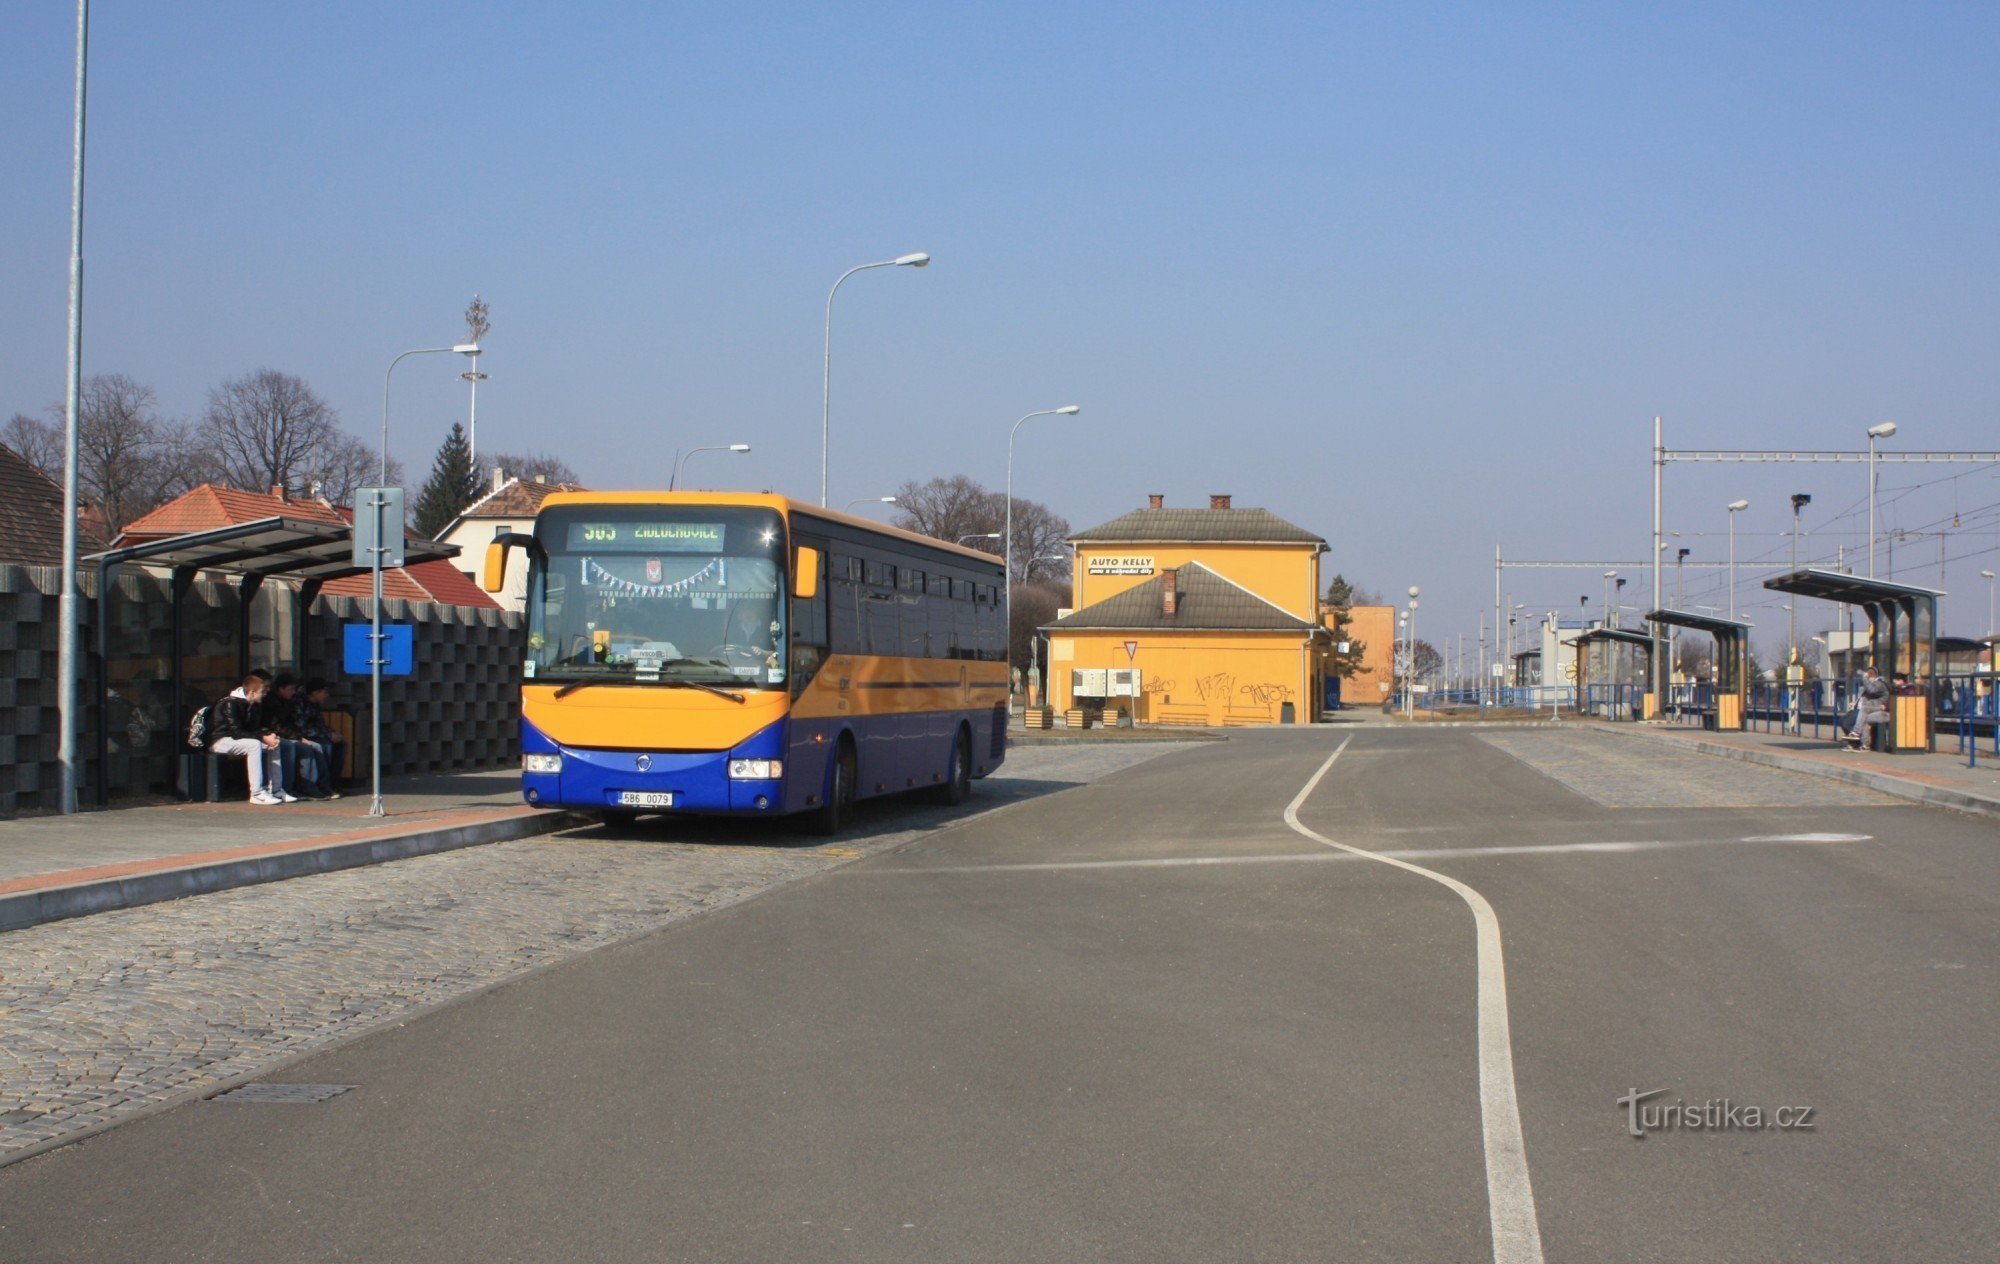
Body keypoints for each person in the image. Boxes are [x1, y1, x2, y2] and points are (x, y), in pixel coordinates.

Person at [209, 673, 286, 804]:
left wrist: (268, 734)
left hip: (238, 739)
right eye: (262, 691)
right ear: (252, 692)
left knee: (274, 744)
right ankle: (256, 793)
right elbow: (236, 731)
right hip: (221, 740)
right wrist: (262, 737)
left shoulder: (254, 704)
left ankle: (276, 790)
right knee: (254, 745)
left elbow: (253, 728)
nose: (265, 694)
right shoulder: (230, 703)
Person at [267, 673, 327, 799]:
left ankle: (318, 785)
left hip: (288, 734)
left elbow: (291, 724)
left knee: (315, 746)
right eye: (290, 689)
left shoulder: (288, 702)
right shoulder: (272, 702)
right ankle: (290, 788)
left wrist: (299, 736)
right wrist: (298, 738)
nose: (293, 692)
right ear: (281, 689)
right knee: (296, 747)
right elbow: (276, 726)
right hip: (275, 736)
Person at [293, 677, 346, 798]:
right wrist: (326, 735)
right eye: (325, 692)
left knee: (340, 744)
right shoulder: (299, 702)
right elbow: (301, 726)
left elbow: (320, 723)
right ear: (315, 692)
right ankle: (322, 784)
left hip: (315, 734)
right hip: (302, 735)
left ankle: (333, 781)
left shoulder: (315, 704)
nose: (326, 696)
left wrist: (332, 733)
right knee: (324, 746)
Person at [1846, 666, 1890, 752]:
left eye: (1869, 675)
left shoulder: (1880, 683)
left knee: (1864, 713)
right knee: (1864, 718)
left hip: (1884, 711)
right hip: (1876, 709)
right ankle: (1864, 744)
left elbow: (1871, 690)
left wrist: (1865, 678)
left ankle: (1857, 733)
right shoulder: (1874, 683)